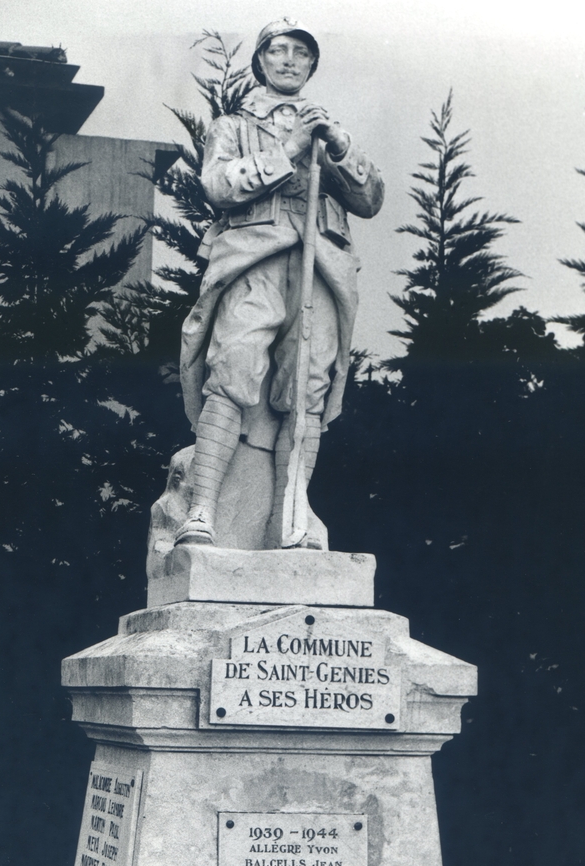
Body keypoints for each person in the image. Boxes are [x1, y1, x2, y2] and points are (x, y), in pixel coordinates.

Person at [176, 17, 384, 547]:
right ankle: (202, 511)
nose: (289, 60)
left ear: (312, 65)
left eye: (301, 53)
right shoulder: (233, 124)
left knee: (308, 384)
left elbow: (370, 201)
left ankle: (291, 514)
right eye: (279, 50)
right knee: (235, 365)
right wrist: (288, 150)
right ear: (262, 61)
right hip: (255, 255)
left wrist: (334, 146)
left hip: (321, 266)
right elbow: (219, 187)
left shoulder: (328, 131)